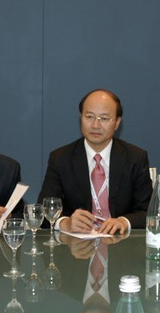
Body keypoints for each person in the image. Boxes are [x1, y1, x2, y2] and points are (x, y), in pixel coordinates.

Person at [38, 89, 152, 235]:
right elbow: (44, 210)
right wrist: (66, 223)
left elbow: (148, 211)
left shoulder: (135, 158)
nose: (95, 125)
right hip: (76, 249)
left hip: (120, 245)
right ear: (81, 118)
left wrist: (123, 221)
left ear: (117, 122)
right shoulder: (60, 158)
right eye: (89, 117)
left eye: (104, 118)